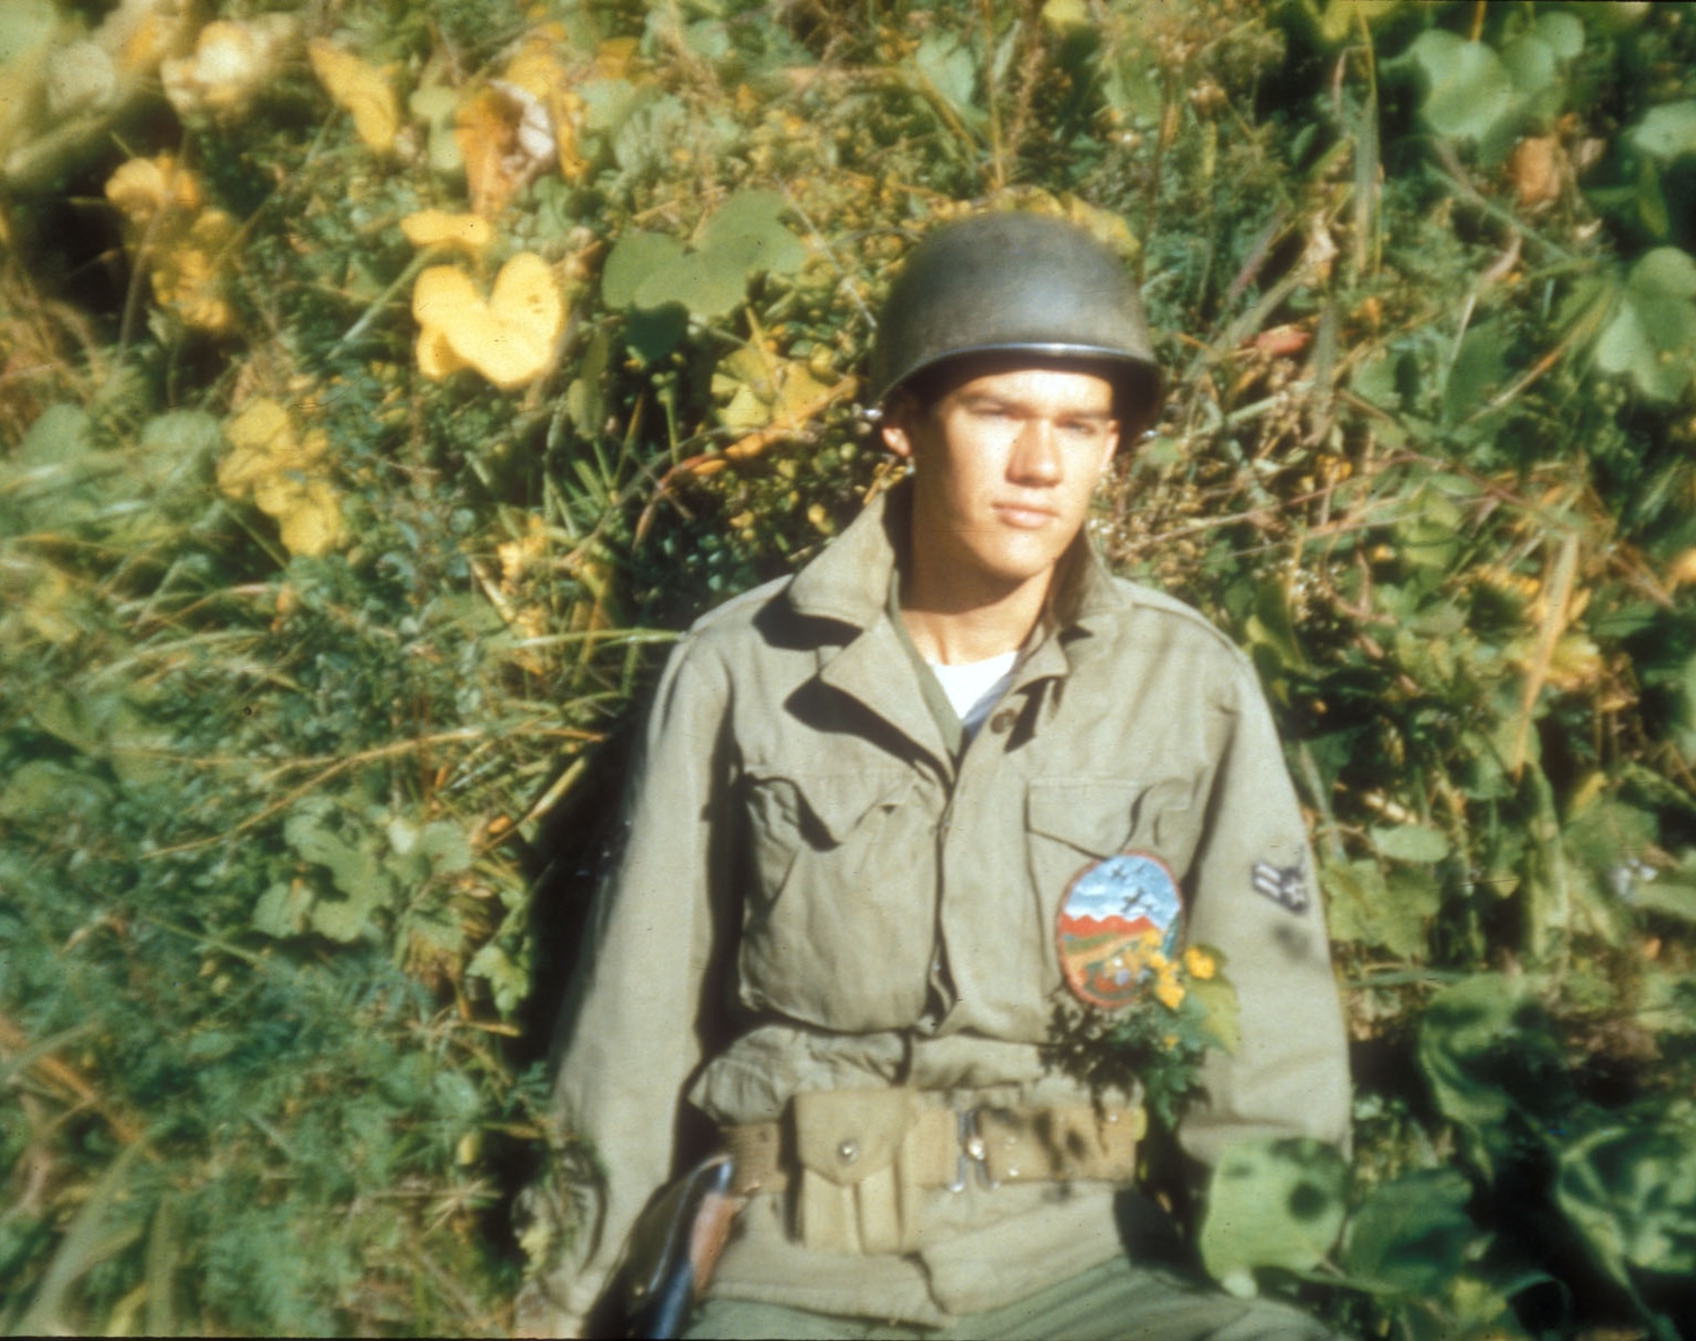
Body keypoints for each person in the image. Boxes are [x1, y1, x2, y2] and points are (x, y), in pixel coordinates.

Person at [515, 210, 1352, 1339]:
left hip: (1080, 1261)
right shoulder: (742, 670)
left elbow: (1267, 1025)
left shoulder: (1184, 687)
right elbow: (635, 1014)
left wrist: (1276, 1277)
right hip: (800, 1261)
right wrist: (564, 1297)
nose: (1039, 465)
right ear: (906, 422)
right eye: (997, 413)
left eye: (1078, 426)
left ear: (1113, 447)